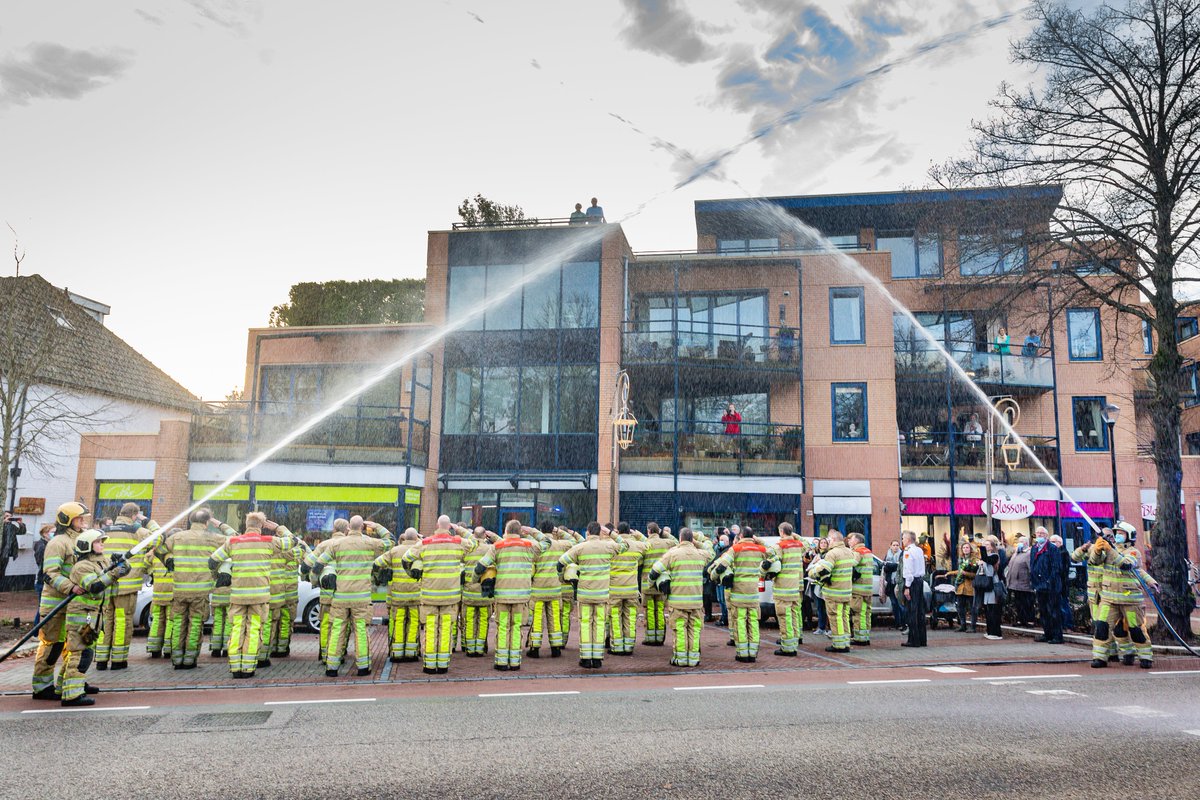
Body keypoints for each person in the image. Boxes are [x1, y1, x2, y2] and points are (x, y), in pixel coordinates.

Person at [208, 513, 296, 679]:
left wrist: (219, 575)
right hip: (259, 597)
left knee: (237, 629)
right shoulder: (268, 542)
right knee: (254, 630)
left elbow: (212, 562)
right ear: (261, 526)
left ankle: (235, 667)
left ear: (245, 524)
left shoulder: (233, 542)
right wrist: (278, 528)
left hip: (238, 596)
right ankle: (248, 668)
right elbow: (293, 541)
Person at [402, 515, 481, 675]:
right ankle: (443, 664)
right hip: (450, 596)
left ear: (437, 525)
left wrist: (414, 573)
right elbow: (475, 543)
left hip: (430, 595)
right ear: (449, 527)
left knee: (431, 628)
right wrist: (460, 530)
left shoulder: (425, 543)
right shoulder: (458, 542)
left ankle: (430, 665)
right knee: (445, 628)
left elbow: (406, 558)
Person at [315, 516, 392, 677]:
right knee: (361, 631)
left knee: (337, 630)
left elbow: (318, 564)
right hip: (361, 598)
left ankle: (332, 667)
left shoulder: (337, 544)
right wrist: (377, 526)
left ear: (348, 527)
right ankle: (363, 667)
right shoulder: (369, 543)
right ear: (363, 528)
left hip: (341, 597)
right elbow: (390, 541)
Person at [59, 530, 129, 706]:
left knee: (84, 652)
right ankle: (72, 695)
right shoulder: (82, 567)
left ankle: (71, 685)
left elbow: (116, 578)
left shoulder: (100, 562)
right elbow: (95, 586)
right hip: (81, 617)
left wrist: (121, 564)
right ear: (87, 546)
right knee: (80, 654)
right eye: (98, 542)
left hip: (93, 616)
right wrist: (114, 573)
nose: (102, 544)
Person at [32, 503, 91, 700]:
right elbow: (50, 574)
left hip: (75, 604)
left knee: (75, 645)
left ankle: (71, 681)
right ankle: (42, 686)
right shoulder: (58, 543)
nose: (83, 522)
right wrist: (71, 587)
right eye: (79, 519)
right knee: (52, 645)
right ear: (67, 520)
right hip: (55, 604)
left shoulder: (81, 540)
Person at [471, 519, 547, 671]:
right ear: (520, 532)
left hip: (503, 596)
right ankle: (514, 662)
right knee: (517, 627)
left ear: (506, 531)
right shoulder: (528, 545)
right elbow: (547, 542)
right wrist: (532, 530)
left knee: (503, 627)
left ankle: (501, 662)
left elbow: (481, 565)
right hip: (521, 597)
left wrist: (475, 579)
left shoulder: (497, 546)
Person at [162, 508, 232, 669]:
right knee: (195, 624)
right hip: (200, 591)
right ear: (207, 522)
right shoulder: (212, 538)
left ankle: (177, 659)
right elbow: (234, 539)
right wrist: (220, 524)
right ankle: (189, 660)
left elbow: (159, 549)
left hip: (179, 589)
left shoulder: (177, 537)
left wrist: (168, 559)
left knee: (179, 623)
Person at [97, 503, 160, 670]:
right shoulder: (136, 531)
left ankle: (101, 659)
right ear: (134, 515)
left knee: (106, 621)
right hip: (126, 587)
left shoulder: (105, 531)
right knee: (122, 621)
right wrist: (146, 520)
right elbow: (160, 537)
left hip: (106, 585)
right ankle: (119, 660)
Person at [557, 522, 628, 669]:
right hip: (602, 595)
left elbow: (561, 562)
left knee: (585, 625)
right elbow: (625, 545)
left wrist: (563, 578)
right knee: (600, 624)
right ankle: (597, 658)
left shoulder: (580, 547)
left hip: (585, 595)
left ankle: (586, 658)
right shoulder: (608, 546)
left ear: (588, 532)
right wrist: (610, 533)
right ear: (600, 532)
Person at [1088, 527, 1158, 669]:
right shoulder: (1108, 550)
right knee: (1101, 627)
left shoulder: (1133, 552)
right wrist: (1097, 550)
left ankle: (1145, 657)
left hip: (1130, 599)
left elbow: (1126, 565)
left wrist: (1151, 582)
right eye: (1117, 533)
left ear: (1129, 536)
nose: (1118, 535)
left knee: (1135, 629)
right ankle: (1100, 657)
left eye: (1121, 533)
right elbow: (1094, 561)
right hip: (1109, 599)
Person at [648, 528, 712, 667]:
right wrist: (698, 541)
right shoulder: (700, 554)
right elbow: (711, 550)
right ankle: (693, 658)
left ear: (680, 538)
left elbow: (655, 571)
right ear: (691, 539)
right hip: (696, 601)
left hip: (678, 601)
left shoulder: (672, 554)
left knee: (680, 630)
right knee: (694, 630)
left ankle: (681, 659)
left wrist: (653, 583)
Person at [528, 521, 577, 658]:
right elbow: (573, 540)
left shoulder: (537, 546)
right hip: (555, 589)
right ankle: (556, 648)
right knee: (554, 618)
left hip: (538, 589)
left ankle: (535, 648)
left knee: (537, 619)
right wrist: (559, 531)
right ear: (553, 530)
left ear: (540, 530)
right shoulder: (560, 545)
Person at [374, 527, 422, 663]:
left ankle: (397, 653)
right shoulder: (420, 550)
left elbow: (377, 564)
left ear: (405, 537)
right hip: (415, 595)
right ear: (416, 537)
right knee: (413, 623)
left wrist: (379, 578)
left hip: (398, 596)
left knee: (399, 622)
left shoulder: (394, 551)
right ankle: (411, 652)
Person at [302, 519, 347, 662]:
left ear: (333, 530)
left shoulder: (323, 545)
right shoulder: (349, 545)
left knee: (326, 623)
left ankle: (324, 652)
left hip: (327, 592)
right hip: (345, 592)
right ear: (346, 530)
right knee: (341, 624)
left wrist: (313, 580)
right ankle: (339, 652)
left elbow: (306, 566)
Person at [806, 531, 857, 654]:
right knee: (844, 617)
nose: (827, 542)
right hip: (846, 591)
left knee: (835, 618)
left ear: (833, 540)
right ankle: (845, 642)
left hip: (834, 592)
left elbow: (824, 570)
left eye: (829, 540)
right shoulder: (849, 552)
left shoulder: (832, 553)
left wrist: (812, 572)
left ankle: (838, 645)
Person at [765, 523, 806, 655]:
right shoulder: (798, 545)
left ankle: (787, 648)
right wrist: (794, 535)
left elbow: (769, 556)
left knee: (784, 617)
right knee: (794, 616)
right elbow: (808, 544)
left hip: (782, 588)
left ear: (781, 531)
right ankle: (793, 644)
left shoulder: (779, 546)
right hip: (795, 588)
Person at [607, 522, 647, 656]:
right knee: (630, 618)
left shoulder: (612, 545)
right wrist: (639, 535)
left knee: (615, 618)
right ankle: (629, 645)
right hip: (631, 589)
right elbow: (648, 544)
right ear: (630, 531)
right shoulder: (637, 545)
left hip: (615, 589)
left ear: (617, 531)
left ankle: (617, 646)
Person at [460, 524, 498, 657]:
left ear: (474, 536)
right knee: (483, 621)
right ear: (485, 535)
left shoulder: (468, 549)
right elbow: (501, 543)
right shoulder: (490, 548)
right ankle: (480, 648)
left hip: (469, 592)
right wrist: (492, 535)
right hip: (484, 593)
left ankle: (470, 649)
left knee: (469, 620)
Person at [641, 522, 676, 644]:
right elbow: (677, 541)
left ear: (649, 531)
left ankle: (651, 638)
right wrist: (664, 533)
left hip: (648, 584)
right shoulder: (666, 543)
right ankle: (660, 637)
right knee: (660, 610)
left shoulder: (645, 544)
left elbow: (640, 562)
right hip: (662, 583)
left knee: (650, 610)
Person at [1029, 525, 1065, 644]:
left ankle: (1057, 636)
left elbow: (1056, 567)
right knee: (1043, 611)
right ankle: (1047, 633)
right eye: (1037, 533)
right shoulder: (1034, 548)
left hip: (1052, 586)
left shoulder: (1052, 548)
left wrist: (1049, 581)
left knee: (1054, 611)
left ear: (1046, 536)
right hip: (1039, 586)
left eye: (1042, 533)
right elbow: (1033, 565)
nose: (1039, 535)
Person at [144, 542, 174, 659]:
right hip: (172, 595)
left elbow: (145, 564)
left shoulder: (155, 556)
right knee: (170, 621)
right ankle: (168, 649)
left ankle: (154, 648)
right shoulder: (174, 556)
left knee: (156, 620)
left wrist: (152, 572)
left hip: (157, 595)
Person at [901, 530, 927, 647]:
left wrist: (907, 587)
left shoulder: (908, 552)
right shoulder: (919, 550)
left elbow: (908, 571)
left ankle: (913, 640)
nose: (902, 540)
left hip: (912, 583)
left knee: (911, 611)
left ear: (908, 539)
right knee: (920, 612)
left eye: (903, 538)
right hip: (920, 581)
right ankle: (922, 639)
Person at [977, 537, 1004, 639]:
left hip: (994, 585)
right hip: (987, 586)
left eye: (987, 545)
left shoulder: (995, 556)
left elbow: (987, 560)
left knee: (994, 609)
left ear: (992, 547)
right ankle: (990, 631)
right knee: (988, 609)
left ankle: (996, 632)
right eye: (985, 545)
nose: (985, 546)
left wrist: (981, 549)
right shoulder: (986, 557)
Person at [1006, 536, 1036, 627]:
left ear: (1027, 543)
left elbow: (1031, 568)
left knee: (1027, 602)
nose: (1020, 543)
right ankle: (1021, 619)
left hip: (1025, 583)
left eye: (1022, 541)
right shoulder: (1016, 553)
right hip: (1015, 583)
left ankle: (1029, 620)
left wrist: (1032, 581)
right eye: (1019, 541)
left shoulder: (1028, 554)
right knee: (1018, 603)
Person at [950, 541, 978, 632]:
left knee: (972, 608)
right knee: (960, 607)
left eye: (967, 547)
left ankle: (973, 626)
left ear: (970, 549)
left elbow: (975, 575)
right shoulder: (961, 559)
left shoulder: (974, 560)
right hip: (960, 587)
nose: (965, 549)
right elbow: (959, 572)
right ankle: (963, 625)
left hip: (970, 587)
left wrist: (965, 573)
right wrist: (949, 573)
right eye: (964, 548)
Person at [1049, 533, 1074, 632]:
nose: (1052, 544)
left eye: (1053, 542)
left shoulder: (1063, 553)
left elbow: (1062, 570)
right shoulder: (1054, 552)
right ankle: (1061, 624)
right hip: (1056, 584)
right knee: (1058, 605)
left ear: (1059, 543)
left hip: (1061, 584)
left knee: (1063, 605)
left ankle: (1068, 625)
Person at [32, 523, 53, 624]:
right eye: (52, 532)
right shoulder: (41, 546)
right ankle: (36, 632)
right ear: (45, 534)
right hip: (42, 580)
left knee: (43, 607)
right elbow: (41, 562)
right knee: (42, 607)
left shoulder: (48, 545)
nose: (54, 534)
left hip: (44, 579)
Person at [883, 539, 905, 629]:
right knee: (894, 604)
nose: (895, 547)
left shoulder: (902, 554)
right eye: (894, 545)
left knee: (900, 604)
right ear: (890, 546)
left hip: (898, 582)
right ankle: (897, 623)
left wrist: (891, 565)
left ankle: (903, 624)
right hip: (890, 583)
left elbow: (901, 566)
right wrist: (894, 565)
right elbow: (885, 567)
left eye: (897, 545)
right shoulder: (887, 555)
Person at [0, 511, 25, 585]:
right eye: (6, 516)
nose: (8, 518)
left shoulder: (11, 527)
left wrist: (21, 524)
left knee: (2, 571)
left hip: (5, 553)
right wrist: (2, 523)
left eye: (10, 516)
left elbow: (22, 532)